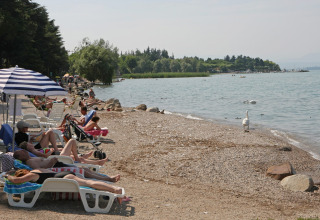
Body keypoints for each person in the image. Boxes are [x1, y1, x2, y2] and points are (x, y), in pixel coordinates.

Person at [4, 168, 123, 199]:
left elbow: (16, 181)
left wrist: (6, 175)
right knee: (88, 182)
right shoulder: (36, 170)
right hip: (63, 174)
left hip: (63, 177)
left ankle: (114, 190)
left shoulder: (31, 175)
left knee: (89, 183)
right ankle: (112, 188)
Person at [13, 149, 120, 183]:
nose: (24, 151)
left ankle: (105, 177)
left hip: (57, 165)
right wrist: (51, 162)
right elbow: (40, 171)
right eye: (22, 152)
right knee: (83, 172)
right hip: (55, 168)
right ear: (20, 156)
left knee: (84, 169)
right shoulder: (30, 162)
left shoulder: (31, 158)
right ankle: (108, 179)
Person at [19, 138, 108, 166]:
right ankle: (79, 159)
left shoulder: (35, 150)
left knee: (75, 157)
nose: (30, 144)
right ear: (28, 147)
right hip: (59, 158)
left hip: (59, 156)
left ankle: (98, 162)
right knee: (72, 141)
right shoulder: (35, 151)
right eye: (29, 144)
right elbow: (45, 156)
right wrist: (51, 151)